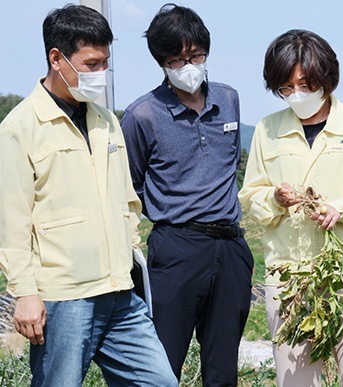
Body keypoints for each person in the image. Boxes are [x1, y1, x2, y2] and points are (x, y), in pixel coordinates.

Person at [0, 5, 178, 387]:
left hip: (120, 292)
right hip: (64, 298)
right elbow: (11, 221)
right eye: (92, 63)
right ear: (56, 58)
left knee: (159, 382)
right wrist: (25, 293)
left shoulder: (106, 119)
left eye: (105, 64)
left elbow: (125, 198)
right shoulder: (19, 128)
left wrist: (131, 251)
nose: (100, 74)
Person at [238, 29, 343, 387]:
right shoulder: (268, 129)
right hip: (291, 279)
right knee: (296, 380)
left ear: (327, 78)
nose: (297, 95)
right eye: (286, 88)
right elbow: (252, 195)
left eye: (306, 84)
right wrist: (274, 200)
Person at [120, 4, 253, 386]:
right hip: (177, 245)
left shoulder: (228, 99)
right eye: (177, 59)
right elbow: (130, 183)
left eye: (195, 56)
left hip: (230, 245)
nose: (188, 65)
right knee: (162, 364)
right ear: (162, 63)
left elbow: (231, 161)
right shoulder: (142, 115)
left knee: (223, 366)